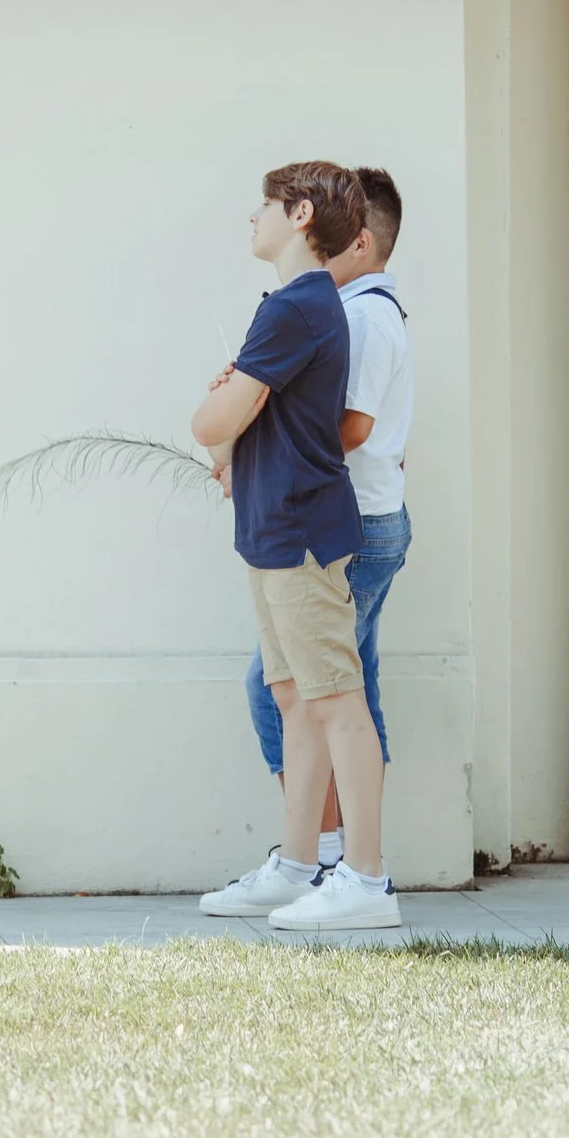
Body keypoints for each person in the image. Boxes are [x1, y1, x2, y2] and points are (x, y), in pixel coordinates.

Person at [188, 163, 401, 932]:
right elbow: (229, 430)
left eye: (267, 205)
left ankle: (366, 880)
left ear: (301, 214)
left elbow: (210, 424)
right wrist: (234, 403)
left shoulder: (297, 308)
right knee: (295, 700)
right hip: (273, 530)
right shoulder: (292, 306)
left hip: (301, 530)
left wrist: (228, 400)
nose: (255, 216)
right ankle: (297, 865)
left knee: (337, 700)